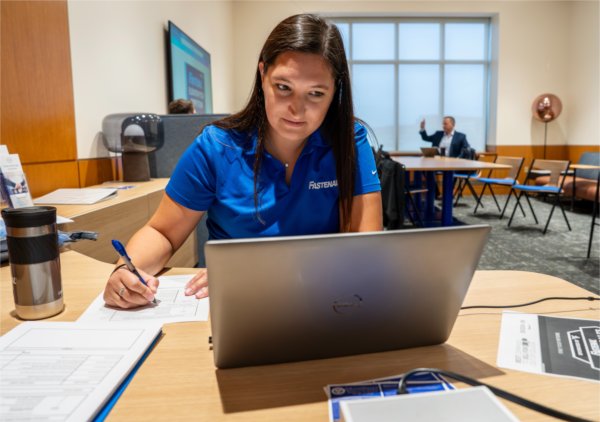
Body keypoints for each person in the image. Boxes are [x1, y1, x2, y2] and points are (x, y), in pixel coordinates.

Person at [103, 14, 383, 309]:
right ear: (263, 75)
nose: (297, 109)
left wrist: (256, 271)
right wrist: (126, 271)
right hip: (236, 306)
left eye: (315, 93)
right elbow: (162, 233)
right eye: (284, 87)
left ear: (334, 92)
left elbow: (364, 248)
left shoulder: (349, 141)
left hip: (324, 303)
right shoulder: (216, 147)